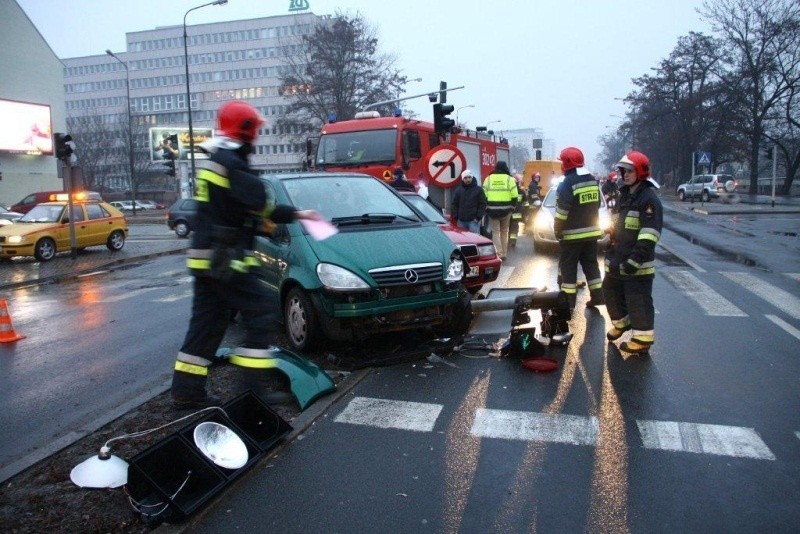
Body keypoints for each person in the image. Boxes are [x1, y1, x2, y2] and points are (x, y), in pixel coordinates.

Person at [170, 100, 321, 408]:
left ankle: (186, 394)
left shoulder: (216, 160)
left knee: (205, 326)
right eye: (255, 130)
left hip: (205, 258)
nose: (257, 137)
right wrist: (298, 213)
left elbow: (239, 207)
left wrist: (298, 214)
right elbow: (260, 203)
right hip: (225, 259)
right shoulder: (232, 163)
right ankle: (253, 390)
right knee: (261, 311)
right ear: (246, 130)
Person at [602, 151, 663, 355]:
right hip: (619, 257)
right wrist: (610, 234)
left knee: (638, 299)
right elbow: (618, 223)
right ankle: (622, 323)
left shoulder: (648, 200)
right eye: (623, 171)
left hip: (637, 262)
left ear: (640, 172)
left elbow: (649, 234)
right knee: (609, 290)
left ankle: (642, 339)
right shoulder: (625, 195)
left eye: (629, 171)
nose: (624, 175)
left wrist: (635, 260)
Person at [553, 146, 604, 313]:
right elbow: (596, 205)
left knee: (568, 268)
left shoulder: (567, 183)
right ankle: (598, 296)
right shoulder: (591, 180)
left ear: (567, 163)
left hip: (571, 236)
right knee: (591, 265)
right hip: (592, 235)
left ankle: (569, 302)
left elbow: (562, 212)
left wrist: (557, 229)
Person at [482, 160, 518, 259]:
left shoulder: (488, 179)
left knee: (495, 232)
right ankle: (504, 254)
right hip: (506, 210)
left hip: (492, 210)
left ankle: (499, 253)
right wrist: (512, 207)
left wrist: (486, 206)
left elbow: (483, 195)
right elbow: (515, 195)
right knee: (504, 232)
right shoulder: (510, 179)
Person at [450, 169, 487, 234]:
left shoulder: (478, 190)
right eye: (465, 178)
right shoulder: (458, 190)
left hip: (473, 221)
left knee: (475, 240)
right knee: (463, 240)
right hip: (461, 221)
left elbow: (482, 204)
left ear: (472, 178)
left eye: (469, 177)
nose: (468, 179)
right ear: (462, 179)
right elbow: (454, 204)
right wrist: (456, 216)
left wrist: (478, 218)